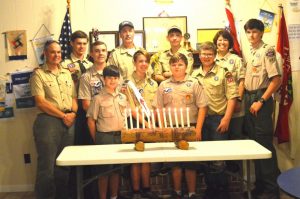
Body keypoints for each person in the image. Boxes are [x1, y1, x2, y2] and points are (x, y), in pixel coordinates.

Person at [153, 53, 208, 199]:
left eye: (180, 64)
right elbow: (158, 108)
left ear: (186, 66)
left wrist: (198, 129)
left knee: (191, 163)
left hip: (190, 127)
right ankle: (176, 192)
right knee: (175, 164)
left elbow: (203, 106)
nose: (177, 67)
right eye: (174, 64)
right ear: (170, 67)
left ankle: (192, 193)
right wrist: (163, 128)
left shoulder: (194, 83)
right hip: (171, 128)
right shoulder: (164, 85)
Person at [30, 40, 77, 199]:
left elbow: (74, 98)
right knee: (47, 167)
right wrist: (63, 115)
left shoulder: (66, 73)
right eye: (52, 52)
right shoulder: (38, 74)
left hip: (69, 121)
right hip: (48, 122)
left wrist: (73, 114)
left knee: (64, 166)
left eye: (58, 52)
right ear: (45, 53)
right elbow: (40, 102)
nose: (56, 55)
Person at [192, 41, 238, 199]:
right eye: (203, 54)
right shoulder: (194, 75)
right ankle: (211, 190)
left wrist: (226, 118)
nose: (206, 57)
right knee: (205, 159)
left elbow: (232, 97)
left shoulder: (225, 72)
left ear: (214, 55)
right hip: (200, 121)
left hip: (218, 119)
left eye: (210, 54)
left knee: (219, 160)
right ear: (199, 55)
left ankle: (222, 192)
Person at [243, 18, 281, 199]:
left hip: (261, 98)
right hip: (249, 98)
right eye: (248, 32)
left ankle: (271, 189)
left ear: (261, 32)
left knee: (264, 145)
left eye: (255, 32)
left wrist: (262, 101)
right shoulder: (250, 51)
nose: (251, 35)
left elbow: (276, 80)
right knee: (254, 145)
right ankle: (259, 186)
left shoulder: (268, 51)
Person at [87, 65, 127, 199]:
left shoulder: (122, 97)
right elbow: (91, 120)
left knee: (116, 170)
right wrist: (96, 139)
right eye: (110, 78)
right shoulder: (97, 98)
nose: (113, 81)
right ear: (104, 79)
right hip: (104, 137)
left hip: (120, 137)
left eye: (116, 78)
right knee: (104, 172)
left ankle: (114, 196)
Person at [124, 50, 159, 199]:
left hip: (150, 121)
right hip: (135, 122)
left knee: (147, 157)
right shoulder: (128, 83)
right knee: (136, 158)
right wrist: (146, 123)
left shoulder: (153, 83)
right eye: (140, 61)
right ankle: (136, 191)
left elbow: (156, 106)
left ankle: (146, 188)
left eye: (146, 61)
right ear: (134, 63)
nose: (144, 64)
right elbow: (131, 109)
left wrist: (154, 122)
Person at [78, 41, 107, 198]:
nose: (100, 53)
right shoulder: (86, 77)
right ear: (91, 54)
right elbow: (85, 105)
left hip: (114, 125)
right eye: (97, 51)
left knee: (115, 165)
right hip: (95, 123)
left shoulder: (115, 73)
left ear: (107, 53)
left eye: (103, 50)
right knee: (99, 165)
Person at [213, 30, 245, 173]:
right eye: (219, 40)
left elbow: (242, 82)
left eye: (225, 40)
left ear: (230, 43)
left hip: (236, 108)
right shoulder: (211, 59)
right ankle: (220, 171)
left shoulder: (235, 59)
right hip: (219, 108)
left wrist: (238, 100)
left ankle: (235, 173)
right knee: (220, 141)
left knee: (235, 138)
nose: (222, 42)